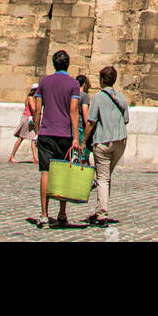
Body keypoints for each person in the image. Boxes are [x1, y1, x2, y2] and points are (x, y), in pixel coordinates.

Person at [33, 50, 81, 229]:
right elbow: (73, 110)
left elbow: (38, 110)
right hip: (64, 134)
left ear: (54, 64)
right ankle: (62, 213)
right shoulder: (73, 84)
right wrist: (76, 137)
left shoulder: (44, 82)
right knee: (62, 173)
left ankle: (44, 215)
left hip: (46, 132)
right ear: (67, 64)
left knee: (45, 172)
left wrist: (38, 131)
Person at [83, 65, 129, 227]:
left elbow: (91, 121)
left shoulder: (98, 97)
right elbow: (126, 119)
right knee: (105, 177)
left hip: (103, 141)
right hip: (120, 141)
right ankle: (99, 210)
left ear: (102, 80)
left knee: (102, 178)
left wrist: (83, 143)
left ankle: (102, 214)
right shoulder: (121, 97)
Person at [9, 83, 39, 164]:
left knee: (33, 138)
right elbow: (33, 108)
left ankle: (35, 158)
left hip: (31, 119)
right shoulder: (30, 98)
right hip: (27, 119)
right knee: (21, 137)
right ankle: (12, 156)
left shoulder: (35, 98)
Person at [76, 75, 92, 164]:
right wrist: (89, 127)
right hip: (81, 127)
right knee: (83, 155)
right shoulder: (84, 96)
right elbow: (85, 113)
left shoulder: (72, 94)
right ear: (84, 84)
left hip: (72, 126)